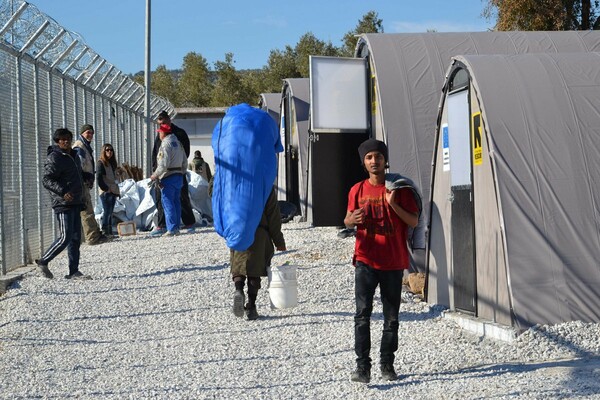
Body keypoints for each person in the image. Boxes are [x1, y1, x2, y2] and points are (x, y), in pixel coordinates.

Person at [343, 138, 419, 384]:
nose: (374, 161)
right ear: (364, 163)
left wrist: (393, 204)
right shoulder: (357, 190)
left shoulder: (399, 189)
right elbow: (346, 220)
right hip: (365, 260)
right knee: (362, 315)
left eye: (378, 156)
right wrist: (350, 221)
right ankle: (363, 367)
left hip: (393, 262)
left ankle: (387, 365)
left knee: (391, 318)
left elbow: (414, 221)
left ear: (386, 161)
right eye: (369, 157)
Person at [35, 128, 91, 280]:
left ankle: (74, 271)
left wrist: (86, 176)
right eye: (62, 139)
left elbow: (75, 175)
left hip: (75, 201)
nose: (66, 141)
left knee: (75, 238)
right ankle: (43, 261)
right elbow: (47, 179)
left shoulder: (73, 155)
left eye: (68, 138)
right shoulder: (55, 157)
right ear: (57, 141)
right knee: (65, 236)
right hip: (63, 202)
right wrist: (63, 191)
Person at [230, 187, 286, 320]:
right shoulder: (264, 184)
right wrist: (279, 240)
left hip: (238, 230)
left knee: (239, 265)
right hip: (259, 232)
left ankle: (238, 289)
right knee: (255, 269)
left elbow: (215, 194)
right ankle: (251, 306)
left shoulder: (234, 180)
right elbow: (273, 215)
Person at [150, 110, 196, 235]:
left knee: (171, 200)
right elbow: (156, 154)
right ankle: (165, 224)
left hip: (168, 174)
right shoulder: (174, 140)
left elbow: (163, 161)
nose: (160, 127)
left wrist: (155, 175)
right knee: (172, 200)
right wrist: (181, 170)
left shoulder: (172, 138)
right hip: (177, 173)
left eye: (163, 123)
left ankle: (176, 226)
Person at [73, 124, 110, 245]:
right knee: (86, 210)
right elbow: (79, 165)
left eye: (92, 133)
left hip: (83, 181)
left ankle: (93, 234)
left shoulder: (85, 146)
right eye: (88, 132)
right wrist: (85, 176)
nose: (90, 135)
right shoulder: (79, 147)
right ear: (82, 133)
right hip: (81, 182)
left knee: (87, 208)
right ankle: (92, 237)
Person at [96, 143, 121, 237]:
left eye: (111, 150)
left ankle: (109, 231)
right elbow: (99, 178)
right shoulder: (101, 163)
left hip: (113, 190)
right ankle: (105, 231)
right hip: (106, 192)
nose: (109, 152)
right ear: (103, 151)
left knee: (110, 211)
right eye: (107, 150)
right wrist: (106, 189)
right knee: (107, 211)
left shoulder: (112, 163)